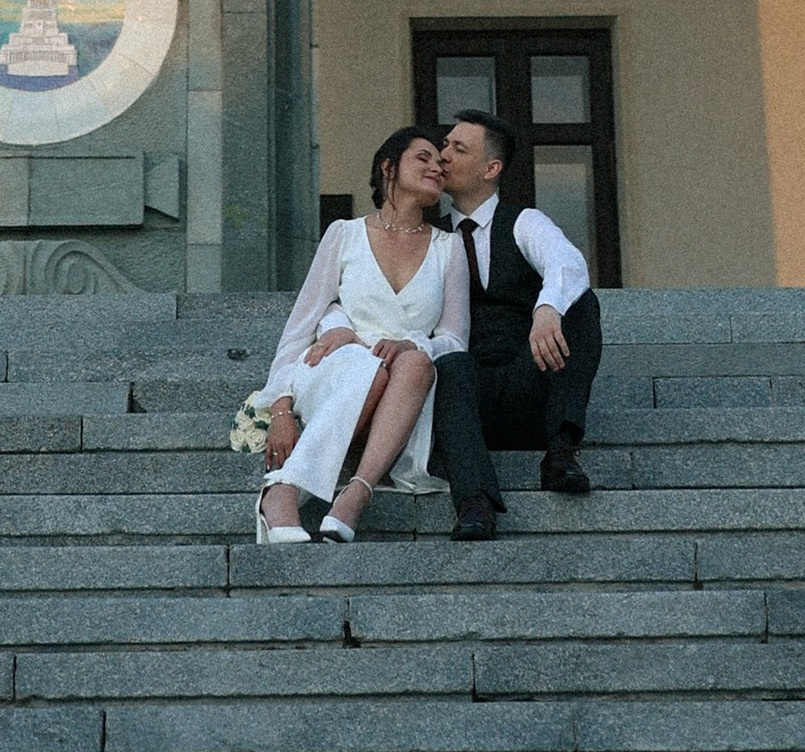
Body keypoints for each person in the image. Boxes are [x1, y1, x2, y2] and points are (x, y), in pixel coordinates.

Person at [254, 127, 469, 543]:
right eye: (422, 158)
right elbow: (299, 328)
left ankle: (356, 492)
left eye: (440, 164)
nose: (436, 168)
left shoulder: (449, 248)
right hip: (338, 369)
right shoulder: (344, 234)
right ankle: (282, 491)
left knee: (416, 361)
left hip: (406, 388)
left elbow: (455, 338)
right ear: (388, 167)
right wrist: (280, 407)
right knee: (371, 367)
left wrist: (412, 343)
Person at [428, 111, 602, 542]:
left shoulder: (524, 221)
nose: (443, 155)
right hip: (467, 399)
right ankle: (475, 502)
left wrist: (547, 309)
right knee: (449, 363)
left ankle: (560, 453)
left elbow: (567, 263)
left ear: (491, 169)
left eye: (458, 148)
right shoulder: (429, 236)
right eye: (445, 145)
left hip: (531, 384)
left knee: (580, 305)